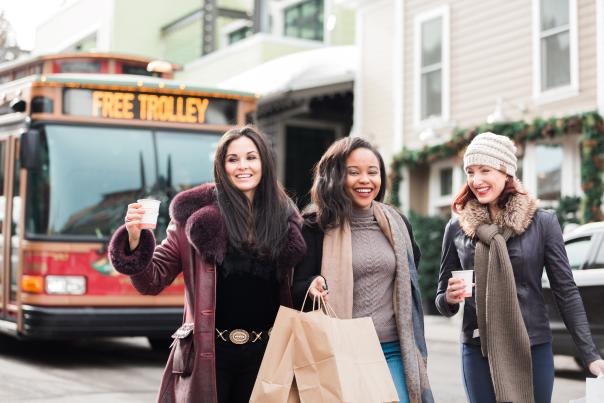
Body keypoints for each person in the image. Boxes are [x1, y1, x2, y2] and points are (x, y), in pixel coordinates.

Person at [108, 126, 306, 403]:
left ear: (265, 163)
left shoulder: (286, 220)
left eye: (251, 157)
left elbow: (298, 286)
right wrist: (134, 238)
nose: (243, 166)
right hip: (209, 355)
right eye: (232, 159)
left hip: (268, 353)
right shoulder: (194, 220)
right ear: (222, 167)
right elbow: (152, 280)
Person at [436, 132, 604, 403]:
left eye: (484, 170)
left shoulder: (542, 222)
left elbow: (566, 291)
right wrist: (449, 298)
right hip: (478, 348)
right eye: (470, 172)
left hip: (532, 345)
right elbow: (443, 300)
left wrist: (590, 354)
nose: (476, 180)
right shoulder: (457, 227)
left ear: (506, 172)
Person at [293, 137, 434, 403]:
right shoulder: (314, 226)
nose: (365, 180)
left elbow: (409, 277)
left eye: (373, 172)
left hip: (392, 348)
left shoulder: (397, 224)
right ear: (335, 177)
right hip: (338, 351)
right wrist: (311, 285)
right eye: (354, 172)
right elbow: (294, 286)